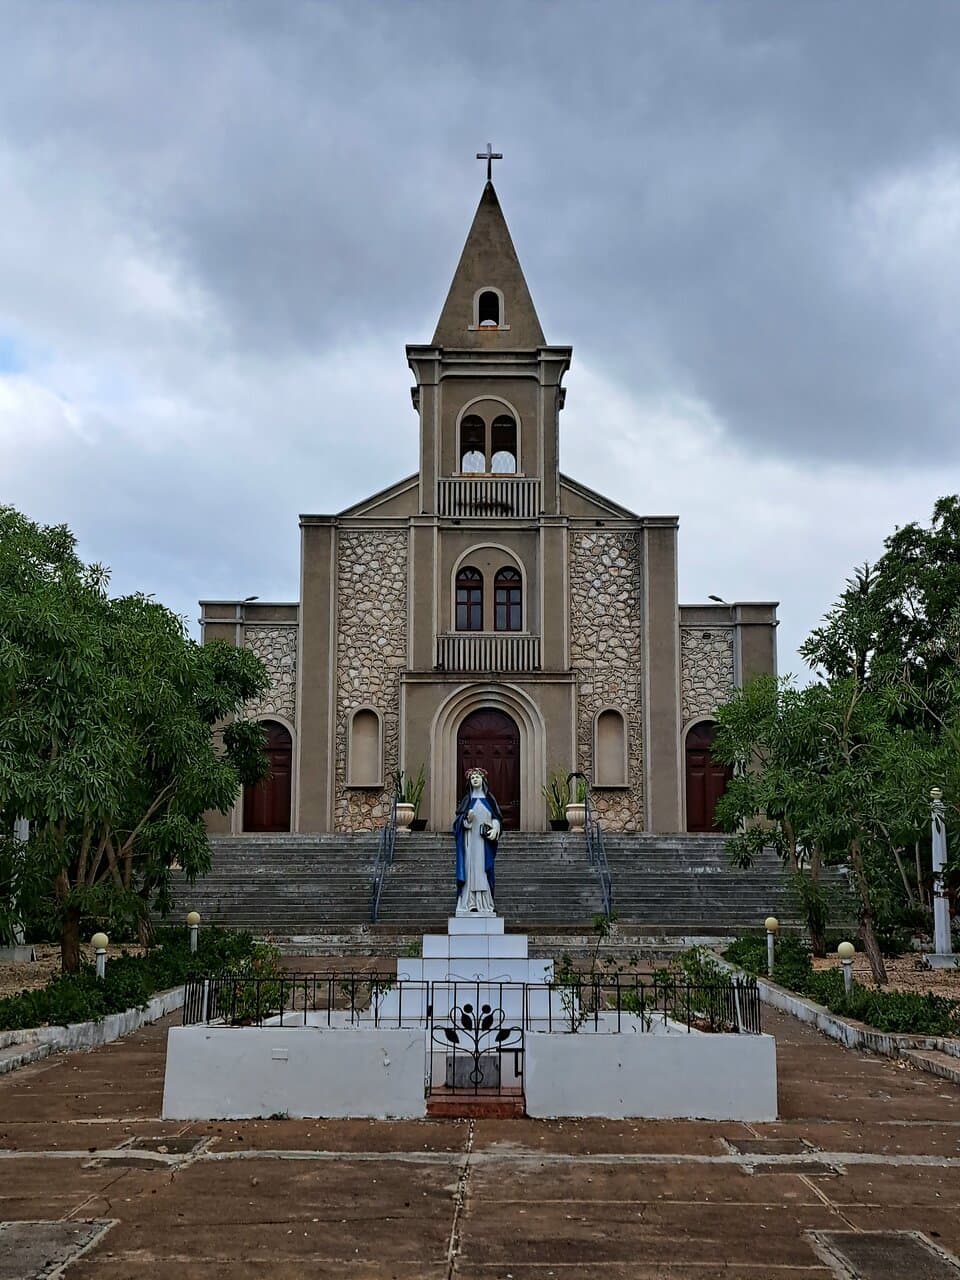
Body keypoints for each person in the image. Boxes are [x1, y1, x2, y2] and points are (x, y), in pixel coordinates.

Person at [452, 767, 502, 915]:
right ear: (469, 781)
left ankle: (485, 903)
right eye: (472, 777)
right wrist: (467, 820)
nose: (475, 779)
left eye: (477, 777)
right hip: (470, 843)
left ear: (483, 780)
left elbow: (496, 817)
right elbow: (457, 824)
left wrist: (495, 828)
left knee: (484, 871)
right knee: (470, 870)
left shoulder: (489, 800)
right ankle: (469, 903)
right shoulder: (467, 801)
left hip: (484, 843)